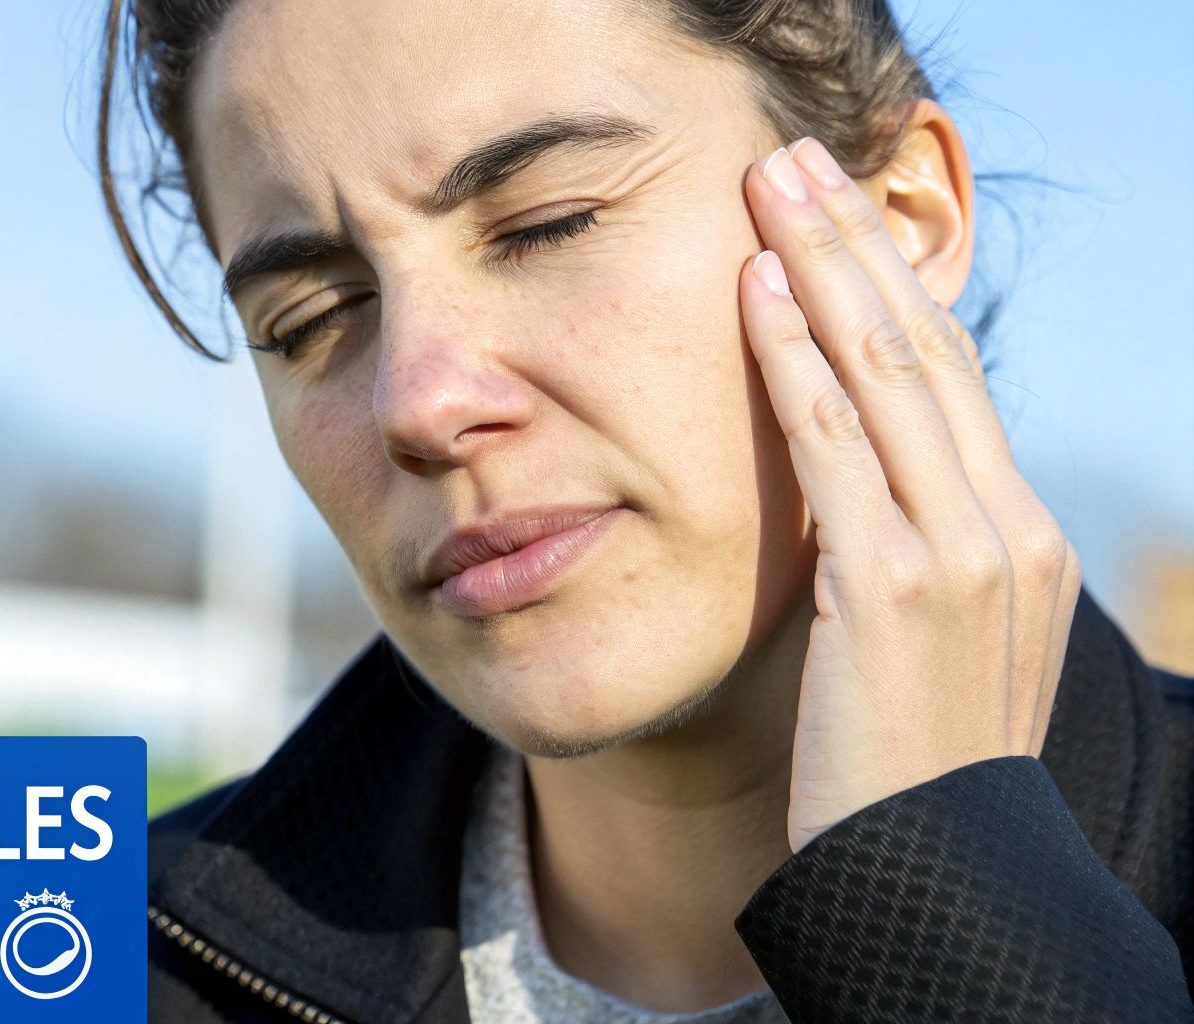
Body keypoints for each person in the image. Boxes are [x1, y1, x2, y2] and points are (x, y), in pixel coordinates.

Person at [96, 0, 1194, 1020]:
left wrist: (952, 906)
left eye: (546, 223)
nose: (420, 402)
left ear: (901, 218)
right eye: (312, 316)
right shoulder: (68, 951)